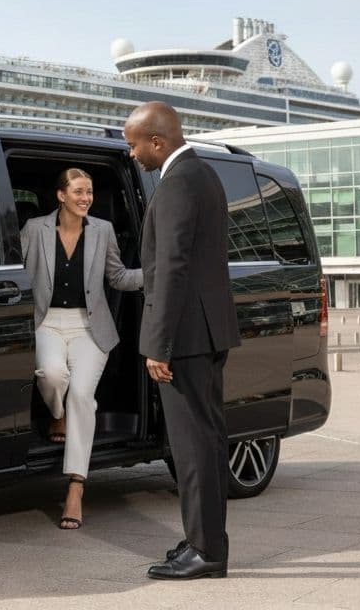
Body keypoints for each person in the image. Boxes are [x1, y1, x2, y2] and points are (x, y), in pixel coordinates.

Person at [123, 101, 241, 580]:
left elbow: (170, 269)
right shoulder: (207, 175)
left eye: (133, 145)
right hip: (209, 330)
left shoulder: (176, 184)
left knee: (192, 448)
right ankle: (205, 540)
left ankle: (206, 552)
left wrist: (157, 344)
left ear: (157, 141)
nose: (131, 155)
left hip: (185, 336)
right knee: (209, 442)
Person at [20, 168, 142, 530]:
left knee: (83, 397)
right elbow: (22, 277)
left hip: (89, 326)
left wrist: (158, 272)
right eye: (78, 191)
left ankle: (76, 486)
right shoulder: (35, 230)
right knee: (52, 375)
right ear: (61, 195)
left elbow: (118, 277)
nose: (86, 198)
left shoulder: (102, 231)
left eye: (89, 192)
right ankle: (55, 412)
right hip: (47, 322)